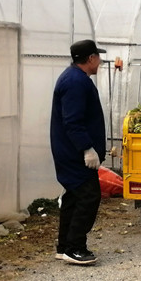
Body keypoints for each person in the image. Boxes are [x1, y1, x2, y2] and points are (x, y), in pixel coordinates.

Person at [50, 39, 107, 265]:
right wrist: (87, 149)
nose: (100, 61)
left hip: (69, 150)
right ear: (91, 58)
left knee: (74, 197)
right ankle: (75, 247)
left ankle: (64, 246)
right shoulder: (75, 82)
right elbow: (72, 121)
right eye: (98, 57)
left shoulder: (75, 77)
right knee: (88, 196)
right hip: (74, 153)